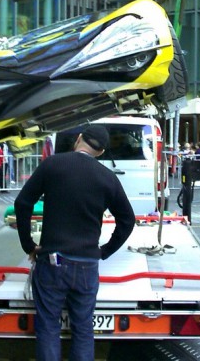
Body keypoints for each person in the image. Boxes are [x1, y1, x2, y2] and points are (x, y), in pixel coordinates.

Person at [15, 125, 135, 361]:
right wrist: (104, 251)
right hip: (87, 264)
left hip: (53, 260)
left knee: (49, 327)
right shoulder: (107, 177)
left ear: (79, 139)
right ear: (100, 153)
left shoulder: (53, 164)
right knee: (83, 329)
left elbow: (23, 203)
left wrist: (28, 245)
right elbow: (127, 220)